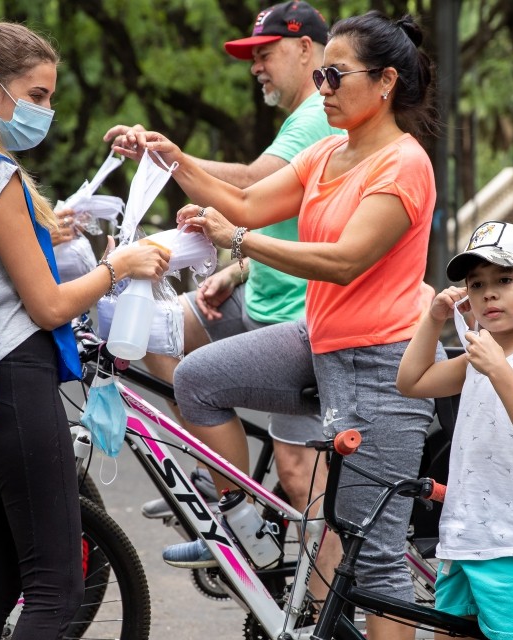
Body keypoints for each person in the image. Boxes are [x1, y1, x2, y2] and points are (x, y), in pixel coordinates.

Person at [112, 12, 438, 640]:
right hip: (318, 343)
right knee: (198, 380)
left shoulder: (403, 164)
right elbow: (247, 202)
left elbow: (344, 262)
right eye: (320, 76)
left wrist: (241, 244)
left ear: (387, 81)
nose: (324, 89)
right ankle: (236, 519)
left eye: (336, 76)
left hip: (380, 363)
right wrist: (171, 156)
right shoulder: (327, 152)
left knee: (373, 567)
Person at [0, 23, 168, 638]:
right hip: (15, 384)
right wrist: (116, 266)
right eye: (39, 95)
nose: (47, 111)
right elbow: (48, 307)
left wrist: (46, 232)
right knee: (55, 589)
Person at [105, 0, 341, 522]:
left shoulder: (315, 117)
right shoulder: (302, 118)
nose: (255, 65)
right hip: (261, 293)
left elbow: (255, 188)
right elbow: (289, 217)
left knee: (302, 479)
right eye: (251, 55)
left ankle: (270, 545)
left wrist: (173, 159)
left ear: (306, 49)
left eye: (265, 52)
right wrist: (238, 269)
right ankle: (219, 476)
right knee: (155, 329)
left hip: (301, 320)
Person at [396, 220, 513, 640]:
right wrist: (433, 319)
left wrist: (499, 369)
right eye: (476, 285)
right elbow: (411, 381)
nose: (488, 293)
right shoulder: (480, 358)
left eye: (504, 279)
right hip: (464, 540)